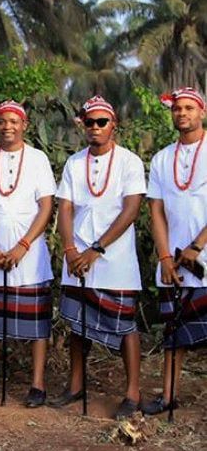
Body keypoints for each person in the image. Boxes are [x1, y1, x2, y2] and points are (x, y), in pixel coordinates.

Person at [53, 95, 146, 419]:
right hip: (77, 255)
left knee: (125, 326)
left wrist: (96, 250)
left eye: (100, 122)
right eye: (89, 122)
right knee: (78, 324)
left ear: (113, 125)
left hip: (115, 258)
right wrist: (70, 250)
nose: (94, 127)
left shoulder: (129, 161)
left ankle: (132, 392)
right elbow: (64, 207)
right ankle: (76, 385)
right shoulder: (74, 162)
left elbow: (131, 209)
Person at [0, 101, 55, 408]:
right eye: (2, 122)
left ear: (25, 124)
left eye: (13, 121)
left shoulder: (38, 159)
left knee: (37, 324)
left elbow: (46, 206)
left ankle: (37, 385)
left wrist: (23, 246)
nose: (7, 126)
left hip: (29, 255)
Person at [143, 87, 207, 414]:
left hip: (203, 255)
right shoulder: (161, 158)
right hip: (175, 262)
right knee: (173, 333)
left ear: (202, 113)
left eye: (188, 108)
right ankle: (168, 395)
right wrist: (165, 257)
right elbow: (156, 210)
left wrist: (198, 245)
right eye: (177, 109)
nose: (182, 114)